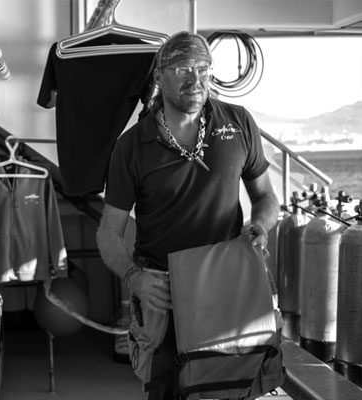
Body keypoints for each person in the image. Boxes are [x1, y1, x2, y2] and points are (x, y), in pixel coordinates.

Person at [96, 31, 280, 400]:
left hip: (226, 285)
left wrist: (259, 225)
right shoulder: (132, 146)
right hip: (165, 292)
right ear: (159, 77)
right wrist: (135, 279)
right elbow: (108, 233)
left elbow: (266, 198)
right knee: (168, 391)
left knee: (230, 388)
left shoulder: (239, 123)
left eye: (203, 69)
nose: (195, 79)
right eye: (182, 68)